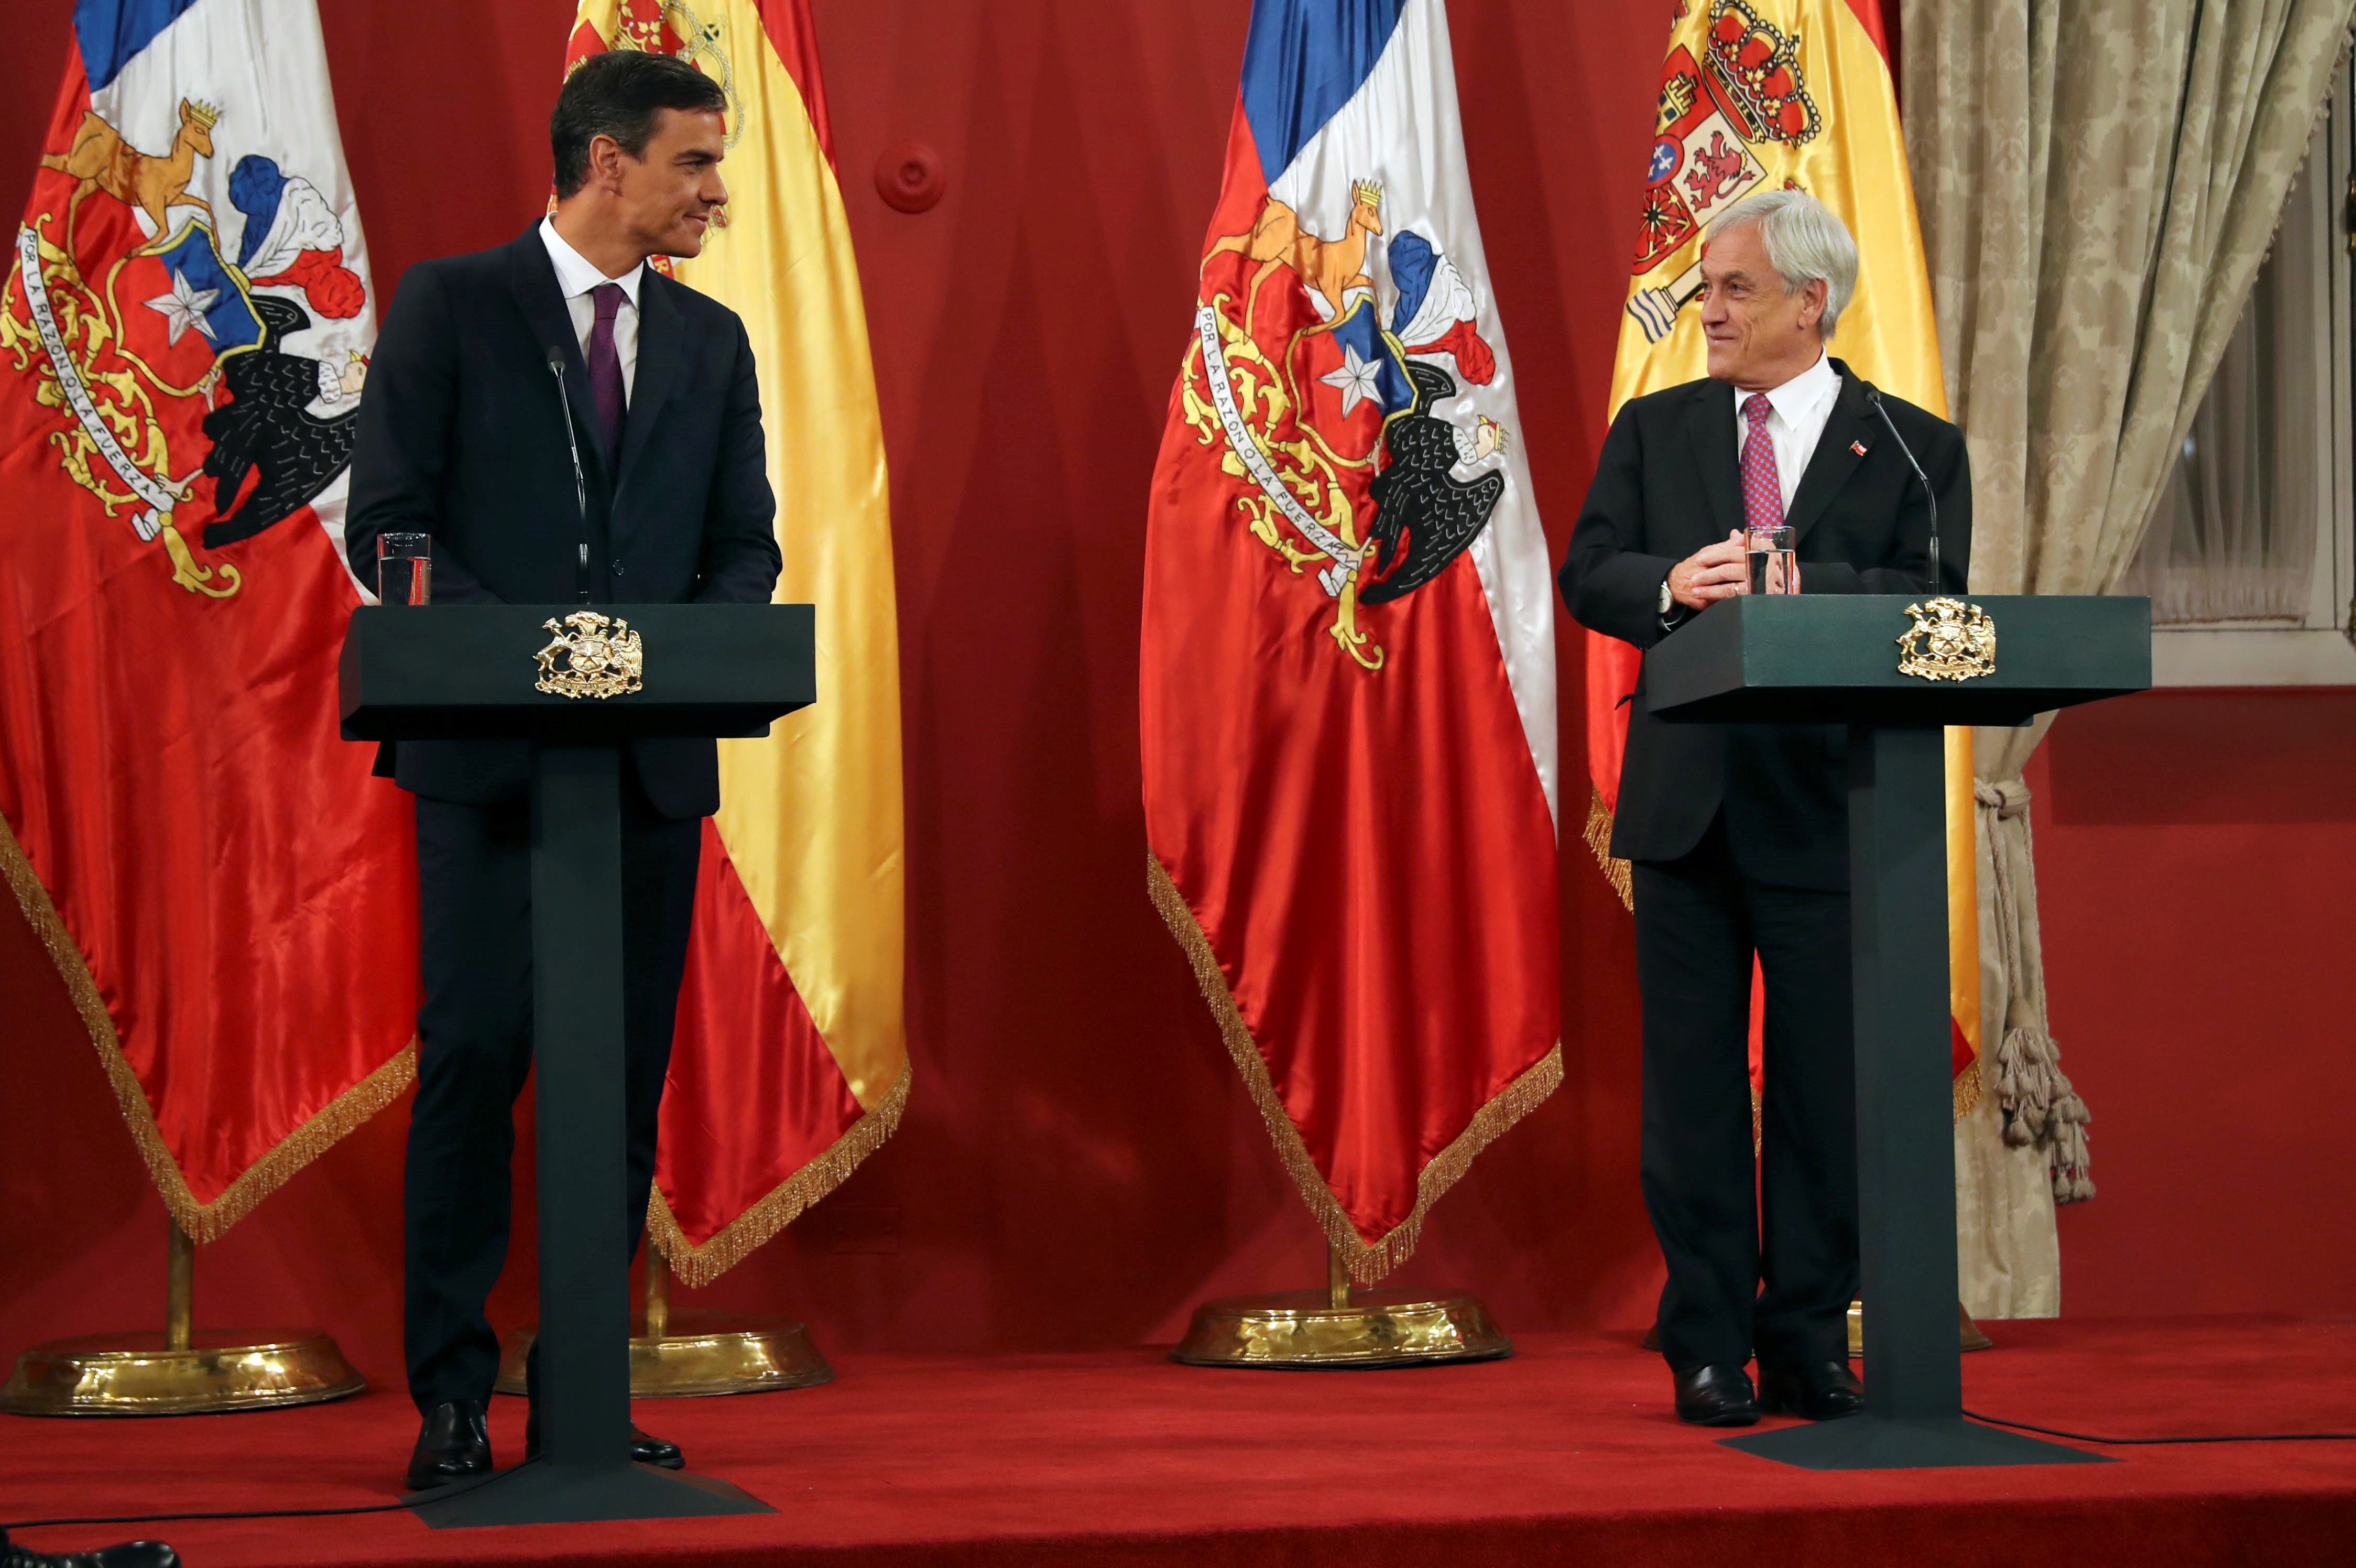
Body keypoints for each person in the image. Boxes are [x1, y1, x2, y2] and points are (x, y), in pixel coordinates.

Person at [345, 50, 782, 1490]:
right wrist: (549, 658)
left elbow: (745, 554)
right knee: (475, 1063)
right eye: (695, 162)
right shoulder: (452, 307)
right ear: (608, 161)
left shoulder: (714, 344)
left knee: (619, 1082)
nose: (716, 190)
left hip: (644, 778)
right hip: (486, 768)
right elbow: (393, 530)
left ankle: (581, 1387)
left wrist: (670, 660)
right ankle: (453, 1398)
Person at [1557, 189, 1971, 1427]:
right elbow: (1591, 568)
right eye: (1704, 286)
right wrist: (1671, 582)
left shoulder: (1907, 444)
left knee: (1821, 1093)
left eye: (1734, 288)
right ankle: (1705, 1345)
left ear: (1811, 301)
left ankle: (1806, 1337)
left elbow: (1935, 597)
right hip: (1685, 806)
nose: (1708, 308)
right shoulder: (1656, 425)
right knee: (1688, 1094)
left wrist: (1806, 582)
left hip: (1832, 806)